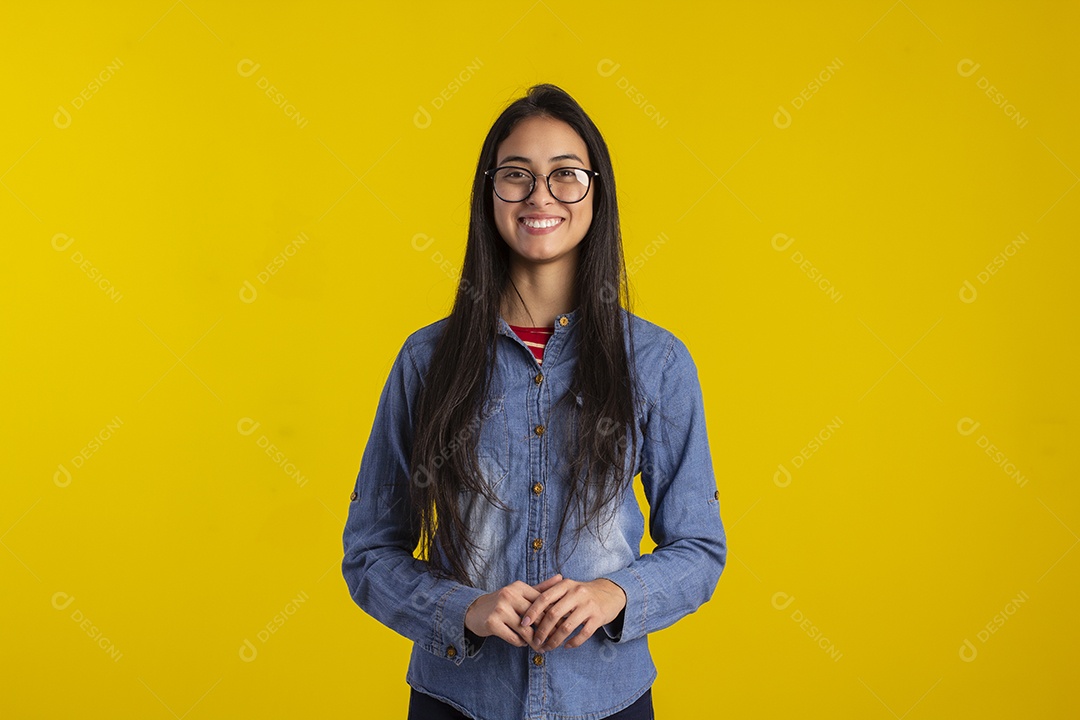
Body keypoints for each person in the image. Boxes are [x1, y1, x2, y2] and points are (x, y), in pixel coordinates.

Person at [341, 83, 727, 720]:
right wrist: (465, 609)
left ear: (596, 192)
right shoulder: (425, 362)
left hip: (609, 700)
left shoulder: (656, 364)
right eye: (516, 175)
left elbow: (700, 548)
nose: (540, 195)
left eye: (566, 175)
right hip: (457, 700)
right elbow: (369, 553)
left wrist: (615, 594)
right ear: (488, 192)